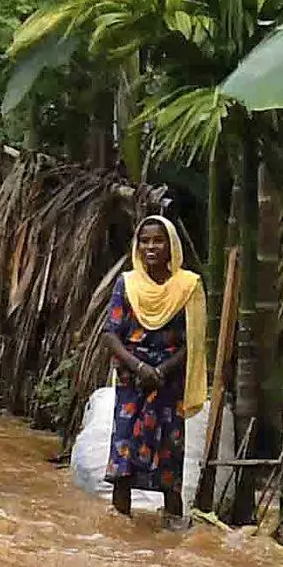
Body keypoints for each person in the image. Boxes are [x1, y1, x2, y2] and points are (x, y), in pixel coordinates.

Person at [97, 211, 207, 529]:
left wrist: (161, 371)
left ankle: (173, 531)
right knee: (124, 458)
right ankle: (122, 530)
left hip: (168, 384)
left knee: (169, 457)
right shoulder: (127, 284)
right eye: (144, 241)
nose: (150, 247)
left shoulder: (188, 286)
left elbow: (194, 340)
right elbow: (110, 333)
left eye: (158, 240)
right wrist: (140, 367)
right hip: (132, 381)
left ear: (171, 246)